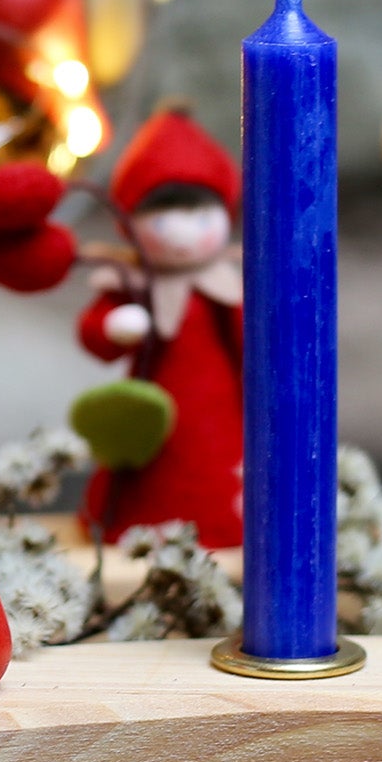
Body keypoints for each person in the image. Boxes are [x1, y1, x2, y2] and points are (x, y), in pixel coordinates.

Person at [78, 108, 245, 544]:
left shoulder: (229, 283)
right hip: (152, 418)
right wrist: (115, 325)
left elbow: (251, 341)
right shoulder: (132, 281)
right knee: (148, 479)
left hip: (220, 419)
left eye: (202, 216)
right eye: (166, 219)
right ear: (129, 222)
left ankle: (226, 526)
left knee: (223, 477)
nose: (187, 235)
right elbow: (93, 332)